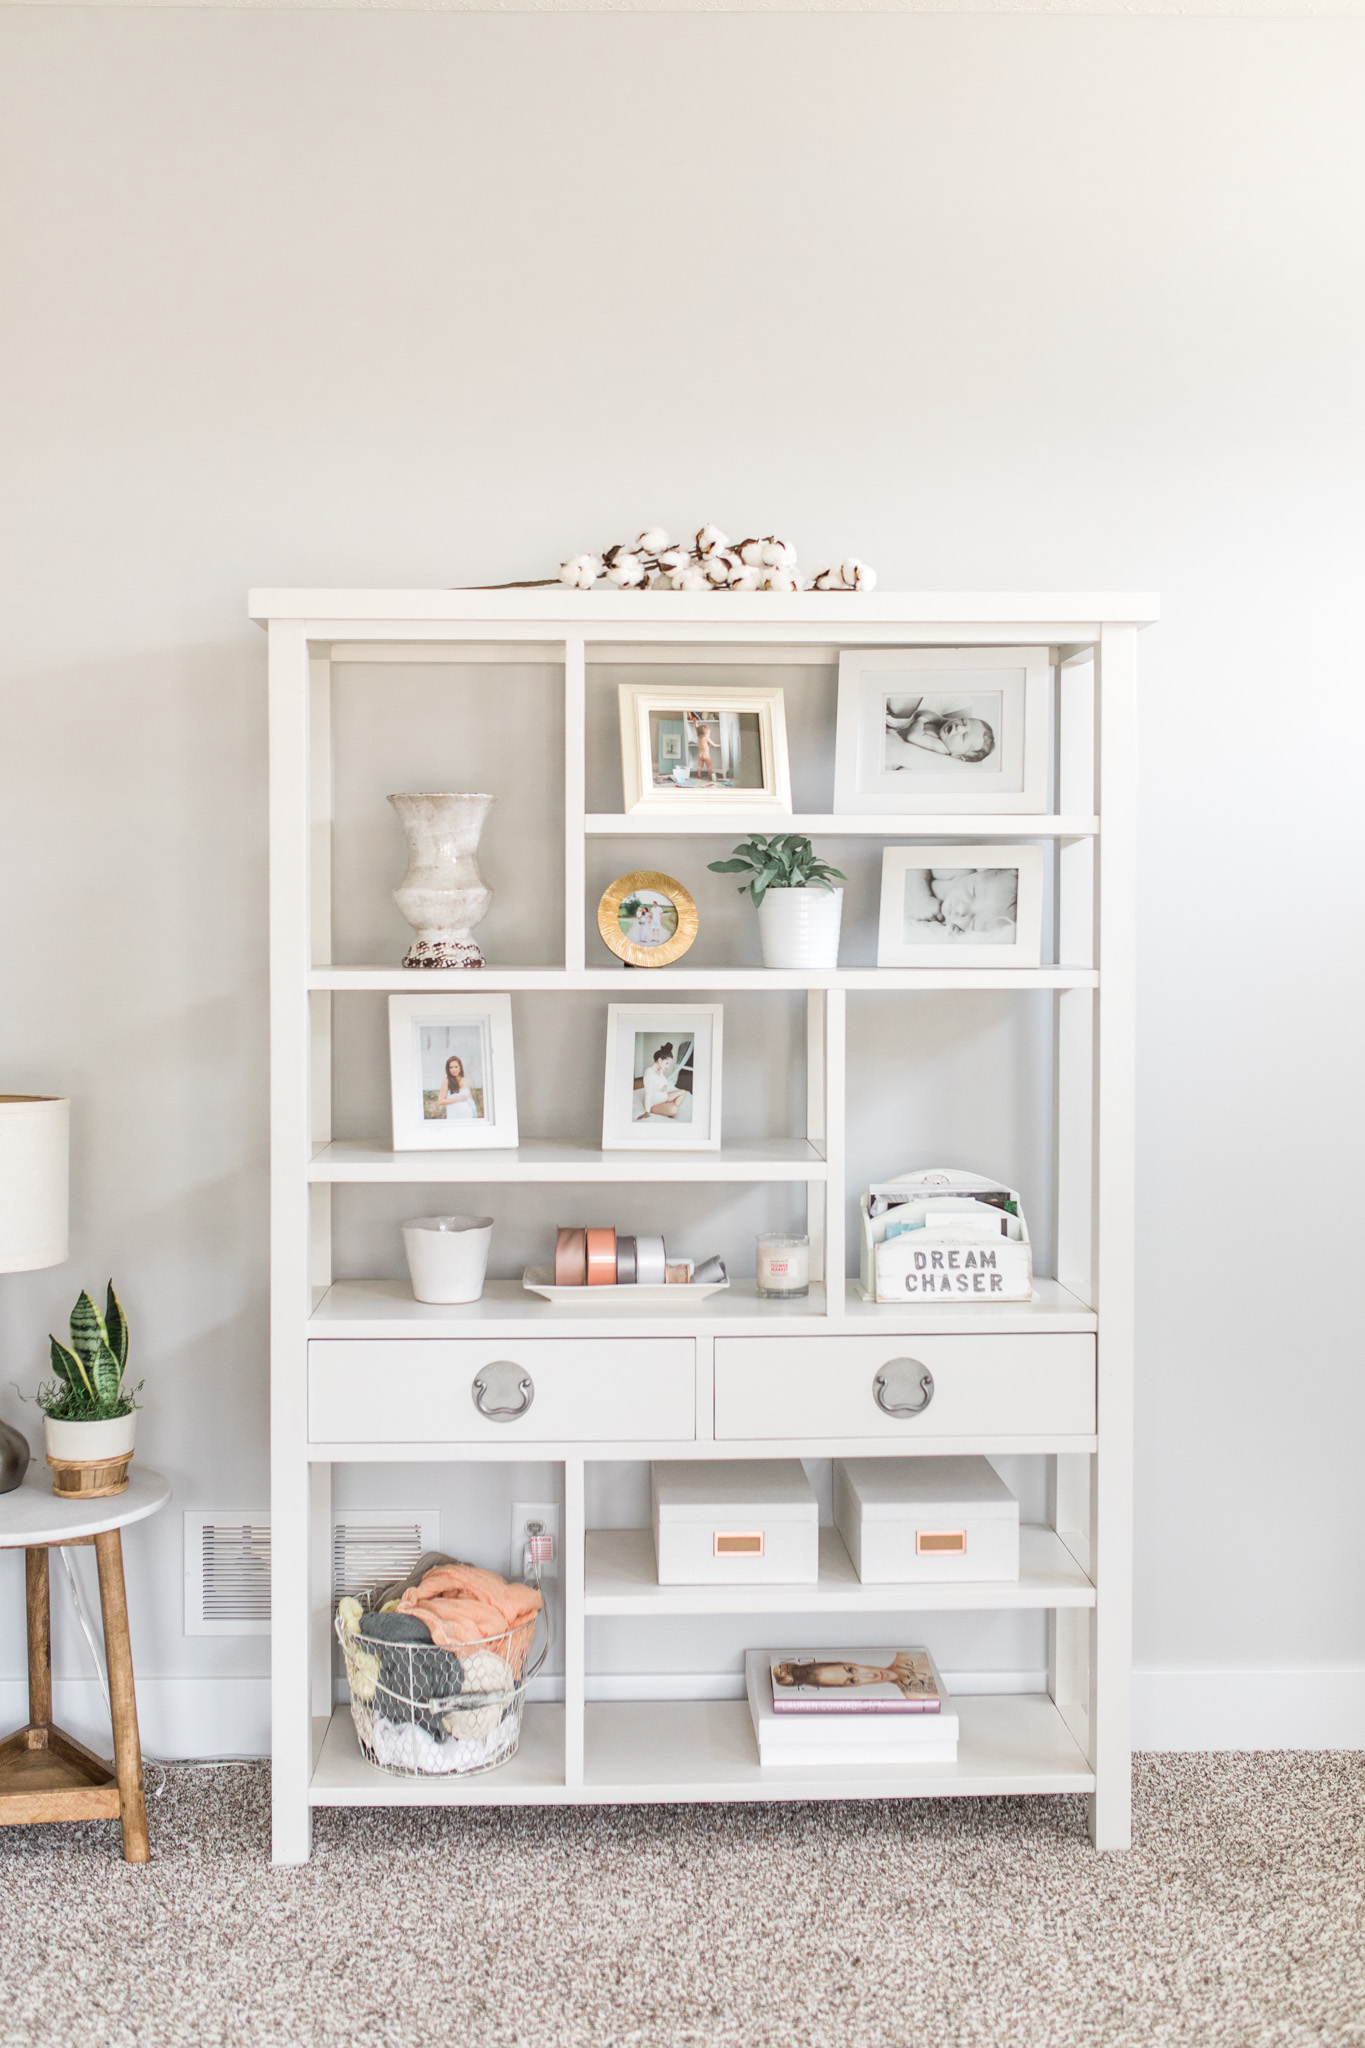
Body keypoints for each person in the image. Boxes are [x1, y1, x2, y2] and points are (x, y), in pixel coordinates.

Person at [883, 694, 995, 768]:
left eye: (964, 736)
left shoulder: (939, 746)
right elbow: (929, 714)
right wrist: (941, 720)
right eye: (962, 721)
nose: (959, 727)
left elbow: (913, 736)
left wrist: (921, 721)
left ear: (958, 755)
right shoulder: (941, 732)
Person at [771, 1652, 935, 1701]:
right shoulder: (916, 1695)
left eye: (852, 1670)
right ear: (851, 1687)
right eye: (853, 1680)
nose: (871, 1675)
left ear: (849, 1662)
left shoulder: (909, 1656)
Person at [911, 866, 1018, 939]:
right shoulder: (956, 871)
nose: (962, 910)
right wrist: (920, 898)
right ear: (982, 870)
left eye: (973, 924)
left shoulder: (949, 928)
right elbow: (916, 859)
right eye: (973, 892)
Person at [637, 1043, 686, 1120]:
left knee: (683, 1092)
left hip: (663, 1097)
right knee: (674, 1109)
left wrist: (664, 1086)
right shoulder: (649, 1073)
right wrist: (647, 1111)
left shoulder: (659, 1070)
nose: (668, 1066)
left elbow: (663, 1082)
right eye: (667, 1063)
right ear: (660, 1060)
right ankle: (664, 1109)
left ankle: (666, 1108)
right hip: (654, 1104)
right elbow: (648, 1094)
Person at [435, 1054, 477, 1120]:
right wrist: (458, 1099)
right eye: (451, 1067)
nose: (454, 1070)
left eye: (456, 1067)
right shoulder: (446, 1081)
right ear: (448, 1069)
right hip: (453, 1117)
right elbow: (440, 1101)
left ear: (460, 1067)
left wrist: (475, 1115)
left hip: (468, 1116)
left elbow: (471, 1100)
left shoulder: (465, 1080)